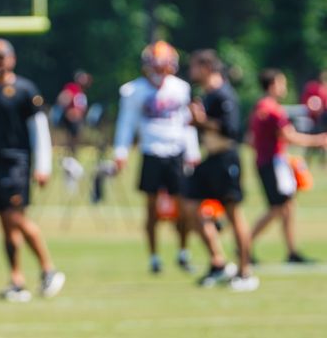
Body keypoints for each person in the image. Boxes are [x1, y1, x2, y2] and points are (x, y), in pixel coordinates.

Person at [0, 38, 64, 302]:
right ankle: (17, 280)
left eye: (1, 56)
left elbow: (39, 130)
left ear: (12, 59)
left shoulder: (25, 90)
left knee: (16, 217)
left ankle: (49, 269)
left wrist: (43, 166)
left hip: (17, 163)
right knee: (6, 225)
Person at [113, 41, 200, 274]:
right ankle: (154, 257)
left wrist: (193, 151)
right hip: (151, 151)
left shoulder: (181, 88)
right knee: (151, 209)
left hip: (176, 151)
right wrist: (120, 151)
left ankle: (183, 252)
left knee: (183, 206)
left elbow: (187, 123)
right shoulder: (133, 90)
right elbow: (126, 123)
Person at [184, 50, 257, 291]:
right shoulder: (206, 94)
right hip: (210, 159)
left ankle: (245, 272)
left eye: (195, 67)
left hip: (226, 158)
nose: (191, 72)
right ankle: (218, 261)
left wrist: (201, 121)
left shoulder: (224, 94)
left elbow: (231, 129)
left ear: (206, 67)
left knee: (234, 214)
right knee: (190, 206)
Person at [248, 69, 327, 264]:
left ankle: (292, 250)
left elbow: (251, 138)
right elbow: (288, 135)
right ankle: (245, 244)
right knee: (277, 207)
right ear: (272, 85)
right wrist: (318, 140)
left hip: (269, 161)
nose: (284, 87)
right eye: (281, 83)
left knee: (288, 205)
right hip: (272, 163)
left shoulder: (260, 106)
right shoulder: (273, 110)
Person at [54, 70, 92, 157]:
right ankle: (68, 154)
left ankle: (73, 154)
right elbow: (63, 99)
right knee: (71, 137)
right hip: (71, 117)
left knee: (76, 137)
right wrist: (68, 111)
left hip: (77, 118)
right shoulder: (72, 87)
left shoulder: (81, 91)